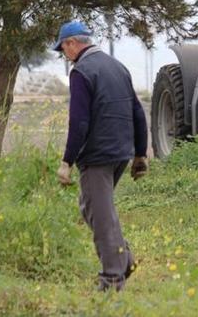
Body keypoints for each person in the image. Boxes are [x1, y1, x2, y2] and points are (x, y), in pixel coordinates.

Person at [52, 20, 150, 292]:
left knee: (101, 214)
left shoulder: (82, 71)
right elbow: (138, 113)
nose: (65, 56)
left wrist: (66, 161)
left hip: (97, 155)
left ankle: (112, 279)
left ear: (72, 44)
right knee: (92, 206)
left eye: (63, 50)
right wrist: (140, 153)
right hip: (121, 152)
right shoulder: (117, 67)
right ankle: (125, 260)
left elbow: (79, 122)